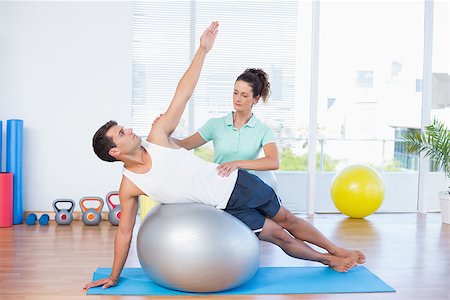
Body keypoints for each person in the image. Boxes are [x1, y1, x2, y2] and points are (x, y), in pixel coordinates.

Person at [84, 21, 365, 291]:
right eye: (122, 133)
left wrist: (203, 50)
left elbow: (183, 93)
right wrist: (113, 275)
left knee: (288, 220)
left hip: (237, 184)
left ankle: (336, 249)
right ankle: (328, 260)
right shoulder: (130, 185)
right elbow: (125, 231)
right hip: (224, 211)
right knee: (278, 236)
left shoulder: (158, 136)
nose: (130, 130)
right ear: (115, 152)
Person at [172, 68, 279, 177]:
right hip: (218, 185)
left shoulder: (263, 131)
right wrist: (161, 131)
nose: (237, 98)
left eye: (244, 95)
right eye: (235, 93)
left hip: (244, 187)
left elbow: (273, 162)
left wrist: (237, 163)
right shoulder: (215, 125)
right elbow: (183, 145)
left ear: (256, 99)